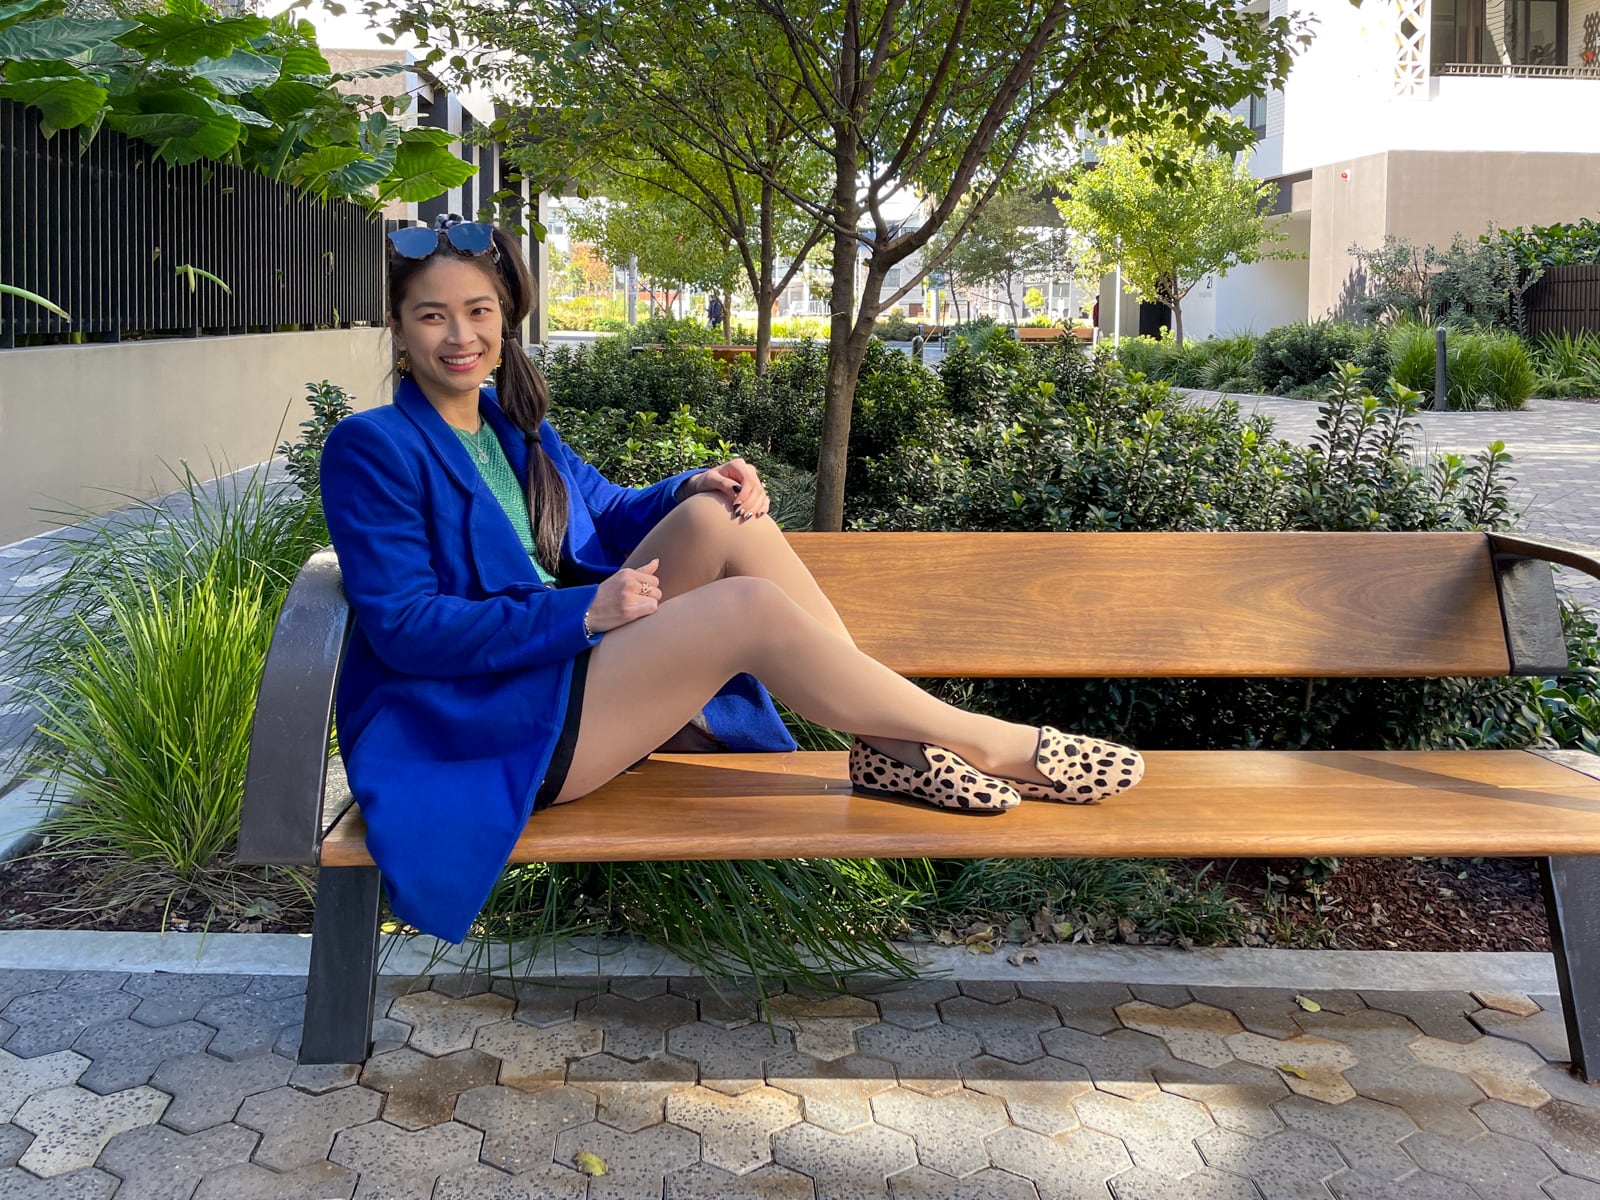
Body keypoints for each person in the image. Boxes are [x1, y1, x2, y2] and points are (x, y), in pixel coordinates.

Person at [319, 216, 1146, 944]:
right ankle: (986, 742)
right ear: (397, 328)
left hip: (568, 677)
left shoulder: (513, 426)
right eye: (433, 316)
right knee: (746, 606)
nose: (459, 336)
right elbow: (406, 626)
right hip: (500, 727)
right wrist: (582, 613)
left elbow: (604, 513)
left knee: (724, 517)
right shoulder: (373, 446)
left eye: (478, 312)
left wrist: (691, 484)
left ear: (506, 322)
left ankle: (895, 745)